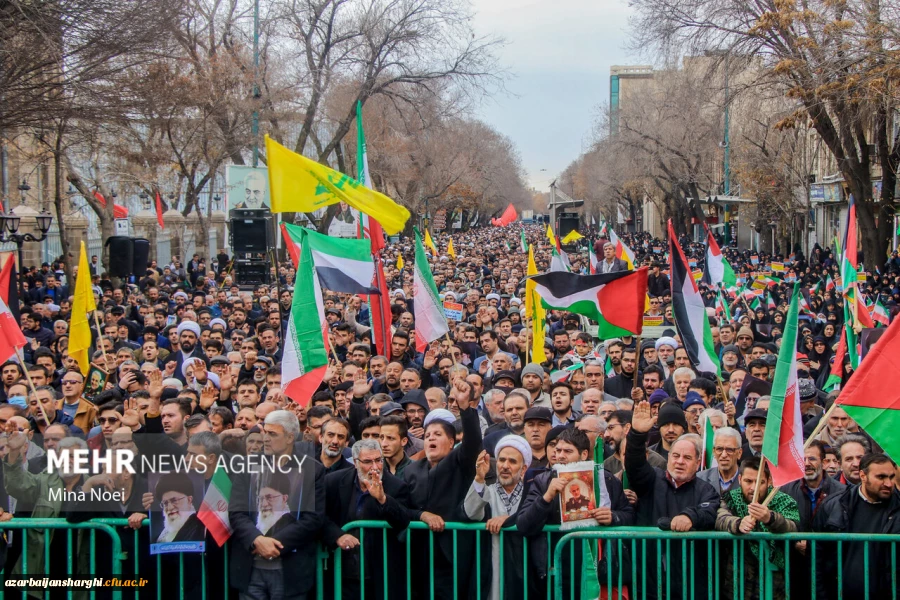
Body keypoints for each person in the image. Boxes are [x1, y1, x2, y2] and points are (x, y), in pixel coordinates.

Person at [517, 427, 634, 599]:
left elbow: (629, 515)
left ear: (584, 454)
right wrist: (547, 497)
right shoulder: (543, 482)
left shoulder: (606, 480)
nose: (560, 455)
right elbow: (523, 525)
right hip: (556, 570)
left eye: (568, 451)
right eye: (557, 450)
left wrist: (613, 517)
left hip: (597, 569)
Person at [625, 400, 719, 599]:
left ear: (697, 463)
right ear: (668, 458)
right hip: (650, 583)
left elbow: (709, 511)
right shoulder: (651, 480)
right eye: (675, 456)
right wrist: (636, 435)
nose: (679, 461)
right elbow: (634, 465)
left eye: (687, 458)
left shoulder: (706, 490)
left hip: (691, 586)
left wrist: (689, 516)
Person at [402, 378, 481, 599]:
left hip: (454, 553)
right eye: (427, 436)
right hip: (419, 553)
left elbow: (473, 443)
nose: (430, 439)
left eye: (437, 435)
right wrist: (422, 515)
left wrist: (466, 407)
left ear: (451, 441)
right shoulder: (411, 470)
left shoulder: (459, 462)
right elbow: (402, 508)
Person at [323, 439, 410, 600]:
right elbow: (321, 517)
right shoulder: (334, 482)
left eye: (378, 460)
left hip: (379, 573)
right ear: (356, 463)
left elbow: (403, 520)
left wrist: (383, 499)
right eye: (368, 462)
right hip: (342, 571)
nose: (375, 467)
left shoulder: (396, 486)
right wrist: (337, 535)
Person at [814, 453, 900, 600]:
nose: (888, 483)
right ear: (863, 475)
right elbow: (817, 556)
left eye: (891, 477)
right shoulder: (834, 505)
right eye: (881, 477)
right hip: (840, 593)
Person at [715, 457, 800, 600]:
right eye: (748, 481)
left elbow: (792, 526)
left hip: (773, 579)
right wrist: (738, 523)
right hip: (738, 578)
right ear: (740, 479)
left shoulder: (784, 500)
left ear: (769, 481)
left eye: (760, 482)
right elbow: (721, 518)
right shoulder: (730, 498)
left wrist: (770, 518)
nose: (753, 488)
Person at [464, 436, 531, 600]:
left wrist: (508, 520)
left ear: (523, 469)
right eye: (501, 460)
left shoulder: (532, 494)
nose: (505, 466)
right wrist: (479, 478)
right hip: (491, 567)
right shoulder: (488, 491)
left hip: (524, 568)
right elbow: (470, 512)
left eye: (512, 462)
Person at [696, 426, 744, 494]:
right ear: (714, 452)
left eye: (729, 450)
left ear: (739, 453)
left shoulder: (747, 481)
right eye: (719, 449)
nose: (724, 455)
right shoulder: (700, 479)